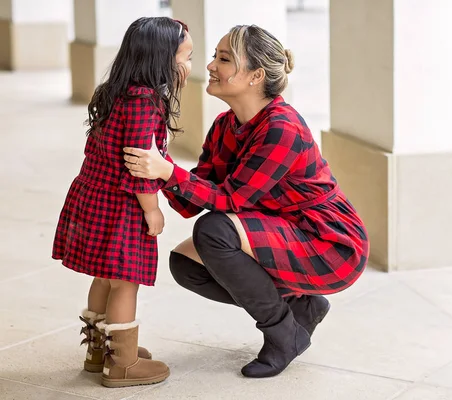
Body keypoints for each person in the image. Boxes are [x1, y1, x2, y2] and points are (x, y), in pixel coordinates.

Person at [123, 24, 369, 378]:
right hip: (282, 232)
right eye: (214, 57)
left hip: (329, 243)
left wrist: (166, 172)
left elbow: (230, 200)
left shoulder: (281, 127)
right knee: (186, 264)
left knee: (214, 231)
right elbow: (190, 202)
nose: (210, 66)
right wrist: (152, 168)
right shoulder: (225, 125)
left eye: (223, 59)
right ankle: (303, 306)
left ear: (255, 76)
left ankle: (283, 334)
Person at [52, 17, 193, 388]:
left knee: (104, 274)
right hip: (122, 204)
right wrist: (152, 209)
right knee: (125, 282)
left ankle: (100, 351)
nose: (188, 66)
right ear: (162, 59)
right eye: (185, 57)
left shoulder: (115, 91)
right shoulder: (145, 104)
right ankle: (124, 364)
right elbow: (139, 164)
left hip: (93, 195)